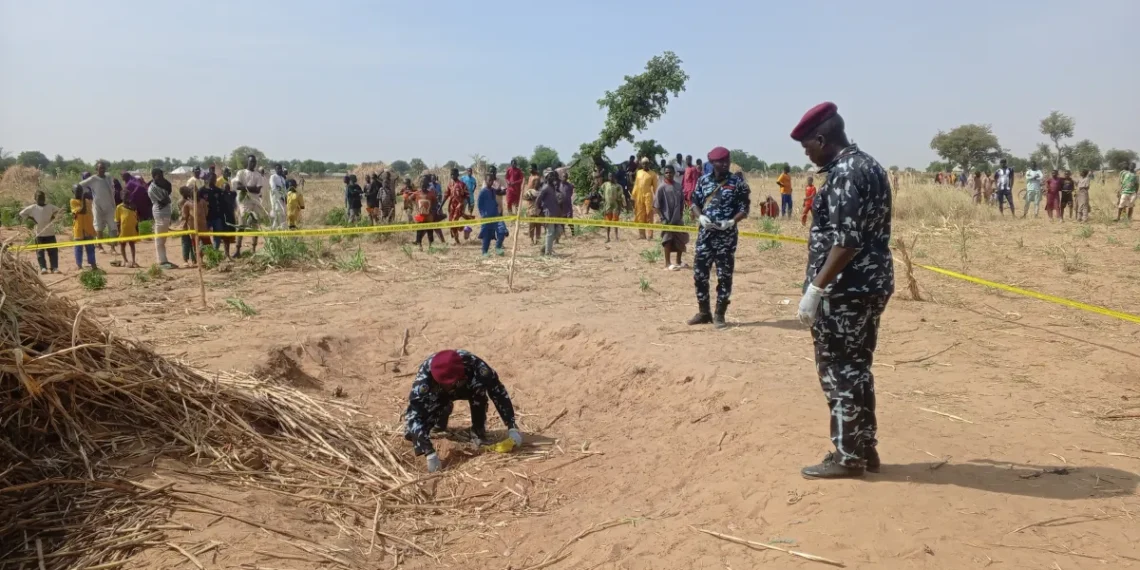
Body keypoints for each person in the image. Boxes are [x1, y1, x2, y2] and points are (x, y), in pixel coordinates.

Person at [791, 102, 893, 479]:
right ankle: (864, 446)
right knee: (859, 367)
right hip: (868, 284)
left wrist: (816, 289)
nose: (808, 154)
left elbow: (846, 241)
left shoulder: (846, 173)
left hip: (845, 290)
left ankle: (848, 455)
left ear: (822, 138)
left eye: (808, 147)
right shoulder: (869, 165)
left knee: (839, 370)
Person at [403, 350, 522, 473]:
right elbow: (414, 415)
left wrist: (512, 426)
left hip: (465, 386)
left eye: (449, 383)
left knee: (479, 392)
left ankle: (478, 431)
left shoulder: (477, 366)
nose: (448, 386)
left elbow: (498, 392)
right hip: (438, 394)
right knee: (411, 433)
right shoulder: (424, 379)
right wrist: (429, 452)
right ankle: (441, 415)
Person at [688, 147, 751, 329]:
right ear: (712, 163)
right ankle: (704, 312)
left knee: (724, 276)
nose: (724, 164)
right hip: (705, 237)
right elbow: (694, 203)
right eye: (720, 161)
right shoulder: (703, 181)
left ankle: (719, 314)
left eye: (726, 160)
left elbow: (744, 209)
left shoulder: (737, 183)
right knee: (700, 274)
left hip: (726, 238)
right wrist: (700, 216)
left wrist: (731, 222)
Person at [80, 161, 119, 253]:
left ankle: (113, 248)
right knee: (98, 226)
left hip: (110, 206)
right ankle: (100, 246)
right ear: (96, 169)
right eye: (100, 168)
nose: (102, 170)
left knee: (113, 226)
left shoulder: (108, 177)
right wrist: (87, 194)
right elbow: (80, 185)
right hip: (98, 206)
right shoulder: (93, 179)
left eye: (103, 168)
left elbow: (112, 188)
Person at [655, 165, 688, 270]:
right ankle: (667, 263)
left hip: (677, 218)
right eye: (666, 172)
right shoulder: (661, 187)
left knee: (680, 239)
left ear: (674, 173)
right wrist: (662, 218)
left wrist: (681, 213)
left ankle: (678, 261)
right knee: (667, 240)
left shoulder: (678, 186)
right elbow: (656, 206)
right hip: (667, 219)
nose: (669, 174)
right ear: (664, 174)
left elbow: (682, 201)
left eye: (670, 172)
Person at [19, 190, 61, 274]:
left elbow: (59, 211)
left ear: (45, 198)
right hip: (39, 233)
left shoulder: (50, 207)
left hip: (50, 233)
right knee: (40, 252)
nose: (41, 200)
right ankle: (43, 268)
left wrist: (53, 217)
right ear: (35, 199)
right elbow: (22, 213)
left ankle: (54, 267)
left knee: (53, 251)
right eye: (39, 198)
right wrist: (32, 219)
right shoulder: (33, 207)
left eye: (42, 198)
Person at [234, 155, 266, 256]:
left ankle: (253, 249)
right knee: (241, 224)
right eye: (251, 162)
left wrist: (245, 187)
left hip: (255, 202)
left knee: (255, 226)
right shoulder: (241, 173)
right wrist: (250, 188)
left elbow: (257, 190)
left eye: (254, 162)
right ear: (247, 162)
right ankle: (238, 250)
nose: (253, 164)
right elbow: (238, 186)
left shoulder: (258, 175)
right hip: (244, 202)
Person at [148, 167, 177, 269]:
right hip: (160, 213)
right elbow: (166, 200)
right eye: (160, 176)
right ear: (155, 176)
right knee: (159, 239)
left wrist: (166, 197)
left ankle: (164, 260)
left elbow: (169, 189)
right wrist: (166, 198)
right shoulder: (153, 188)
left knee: (162, 239)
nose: (162, 178)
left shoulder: (159, 185)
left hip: (164, 213)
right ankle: (162, 262)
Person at [477, 171, 508, 256]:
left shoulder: (493, 190)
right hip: (486, 217)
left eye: (492, 180)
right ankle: (485, 252)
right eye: (489, 180)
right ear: (485, 181)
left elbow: (501, 192)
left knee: (502, 230)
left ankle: (498, 247)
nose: (491, 182)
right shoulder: (483, 192)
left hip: (496, 215)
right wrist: (483, 214)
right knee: (487, 235)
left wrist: (508, 188)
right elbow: (479, 204)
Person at [536, 169, 564, 255]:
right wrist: (539, 210)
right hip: (549, 213)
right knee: (550, 232)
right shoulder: (545, 187)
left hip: (556, 214)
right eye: (550, 176)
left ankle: (545, 248)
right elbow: (538, 200)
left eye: (553, 175)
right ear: (546, 177)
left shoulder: (552, 187)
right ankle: (548, 253)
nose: (553, 177)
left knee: (559, 230)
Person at [70, 184, 97, 270]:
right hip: (79, 228)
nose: (79, 193)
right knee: (78, 248)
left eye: (80, 191)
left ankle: (93, 265)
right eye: (77, 191)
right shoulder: (73, 201)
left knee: (90, 248)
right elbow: (82, 211)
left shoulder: (87, 201)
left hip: (88, 227)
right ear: (73, 192)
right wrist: (84, 202)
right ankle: (79, 265)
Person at [632, 158, 658, 239]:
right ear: (641, 164)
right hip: (639, 196)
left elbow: (655, 187)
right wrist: (633, 195)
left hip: (648, 196)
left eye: (646, 163)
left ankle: (650, 235)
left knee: (649, 214)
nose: (645, 165)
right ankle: (642, 235)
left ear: (649, 164)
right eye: (643, 163)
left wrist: (656, 198)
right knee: (640, 214)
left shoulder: (653, 174)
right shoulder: (639, 172)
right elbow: (636, 184)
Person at [412, 175, 437, 249]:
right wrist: (416, 206)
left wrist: (432, 210)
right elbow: (410, 198)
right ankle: (419, 245)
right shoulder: (417, 193)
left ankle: (431, 245)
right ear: (420, 185)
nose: (423, 186)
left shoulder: (431, 193)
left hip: (429, 216)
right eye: (422, 185)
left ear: (427, 185)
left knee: (430, 231)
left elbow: (435, 202)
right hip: (420, 215)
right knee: (419, 231)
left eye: (425, 185)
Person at [446, 168, 470, 245]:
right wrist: (441, 206)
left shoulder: (462, 184)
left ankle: (457, 241)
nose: (452, 176)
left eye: (454, 174)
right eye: (451, 174)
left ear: (457, 175)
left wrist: (469, 204)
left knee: (453, 223)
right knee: (451, 224)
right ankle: (463, 228)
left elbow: (467, 195)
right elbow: (446, 195)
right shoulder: (450, 184)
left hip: (459, 206)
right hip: (451, 207)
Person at [601, 171, 623, 243]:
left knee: (615, 222)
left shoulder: (618, 186)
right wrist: (603, 197)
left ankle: (616, 237)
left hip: (615, 206)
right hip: (607, 206)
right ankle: (608, 238)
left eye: (612, 176)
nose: (611, 177)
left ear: (614, 177)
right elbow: (600, 191)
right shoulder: (605, 185)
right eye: (609, 176)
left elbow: (620, 198)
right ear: (608, 177)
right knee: (608, 222)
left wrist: (620, 208)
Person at [177, 187, 196, 267]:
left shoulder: (189, 201)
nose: (189, 192)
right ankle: (185, 260)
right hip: (184, 224)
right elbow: (184, 214)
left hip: (190, 224)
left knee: (192, 242)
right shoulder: (182, 202)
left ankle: (194, 259)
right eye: (187, 191)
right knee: (186, 242)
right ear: (183, 193)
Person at [523, 174, 542, 245]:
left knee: (538, 226)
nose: (537, 185)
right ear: (533, 184)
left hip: (539, 211)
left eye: (538, 183)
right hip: (531, 211)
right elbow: (524, 197)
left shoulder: (541, 191)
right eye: (536, 183)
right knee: (531, 226)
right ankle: (531, 239)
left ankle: (538, 239)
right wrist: (531, 198)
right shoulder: (530, 191)